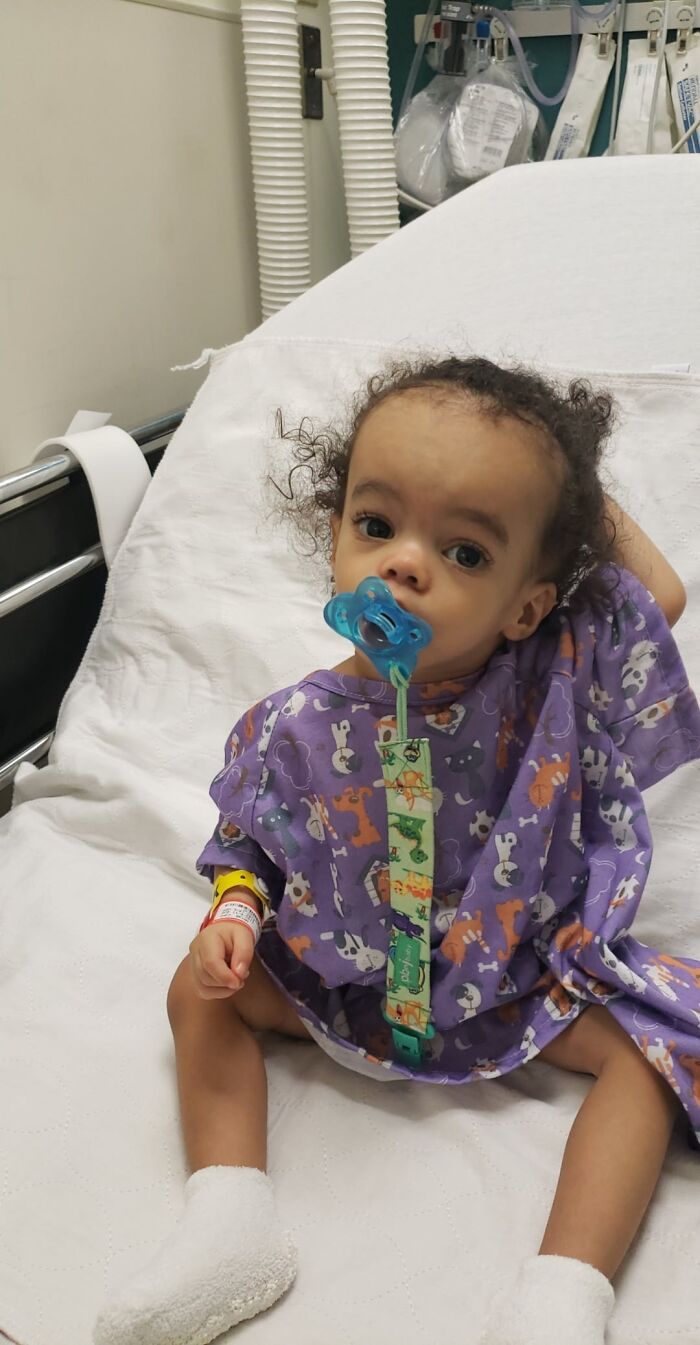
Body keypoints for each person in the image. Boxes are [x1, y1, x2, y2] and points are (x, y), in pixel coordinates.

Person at [94, 357, 700, 1345]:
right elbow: (249, 846)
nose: (404, 564)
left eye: (464, 550)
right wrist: (236, 915)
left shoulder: (553, 680)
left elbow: (659, 595)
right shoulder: (295, 724)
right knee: (196, 993)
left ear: (525, 604)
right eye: (376, 526)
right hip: (350, 985)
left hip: (511, 977)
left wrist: (566, 486)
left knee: (649, 1058)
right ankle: (229, 1216)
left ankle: (564, 1291)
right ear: (334, 536)